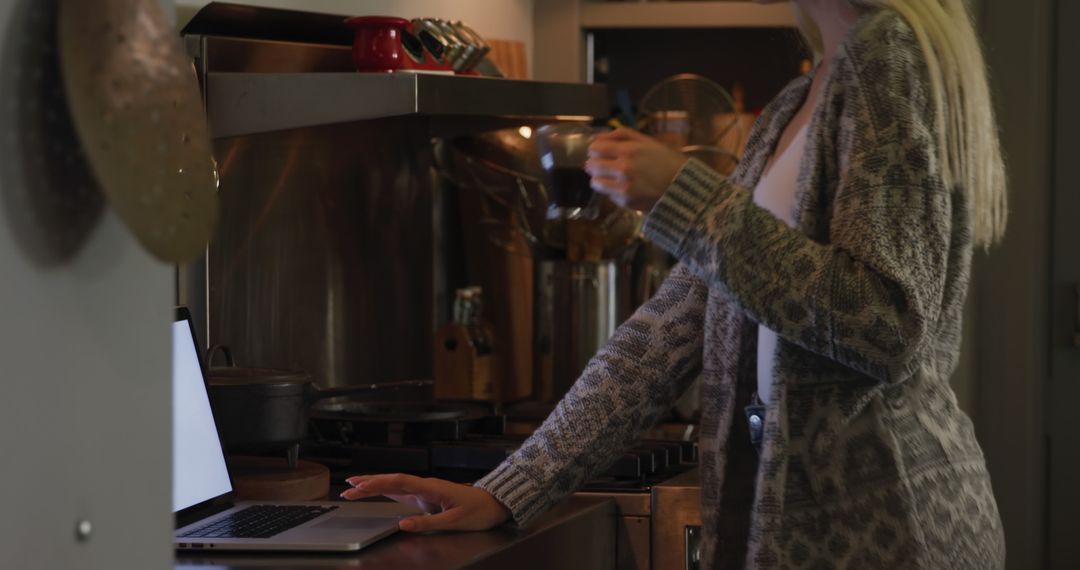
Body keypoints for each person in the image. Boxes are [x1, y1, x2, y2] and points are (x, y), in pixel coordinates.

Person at [341, 0, 1008, 566]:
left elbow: (885, 323)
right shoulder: (796, 101)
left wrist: (683, 196)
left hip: (889, 531)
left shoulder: (887, 53)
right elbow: (666, 333)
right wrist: (509, 489)